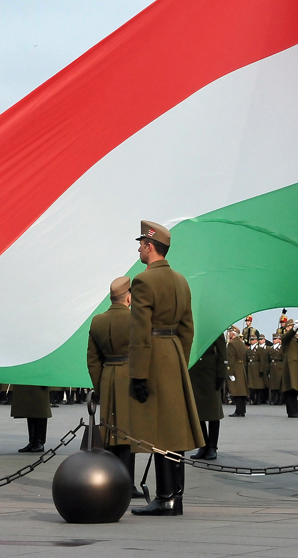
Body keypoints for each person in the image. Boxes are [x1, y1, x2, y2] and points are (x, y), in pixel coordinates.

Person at [127, 220, 203, 517]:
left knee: (159, 429)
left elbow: (139, 332)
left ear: (150, 246)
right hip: (173, 355)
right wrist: (179, 363)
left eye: (141, 245)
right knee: (174, 428)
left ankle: (164, 496)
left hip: (154, 356)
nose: (138, 249)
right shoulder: (181, 281)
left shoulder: (143, 281)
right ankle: (176, 496)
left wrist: (138, 374)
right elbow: (187, 329)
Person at [86, 276, 143, 495]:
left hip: (108, 377)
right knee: (128, 434)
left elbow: (92, 360)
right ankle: (127, 483)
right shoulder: (136, 320)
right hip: (130, 377)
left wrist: (100, 387)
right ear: (128, 298)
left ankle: (109, 480)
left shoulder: (97, 321)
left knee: (108, 431)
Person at [188, 329, 228, 460]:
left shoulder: (214, 327)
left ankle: (212, 446)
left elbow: (222, 353)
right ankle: (203, 445)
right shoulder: (191, 326)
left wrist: (222, 374)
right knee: (197, 413)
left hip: (210, 374)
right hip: (194, 373)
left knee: (213, 412)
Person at [11, 384, 52, 453]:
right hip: (28, 379)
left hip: (40, 377)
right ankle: (32, 441)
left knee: (41, 408)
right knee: (30, 407)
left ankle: (40, 441)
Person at [280, 319, 298, 418]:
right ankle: (291, 411)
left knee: (294, 390)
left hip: (295, 366)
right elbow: (288, 336)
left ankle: (295, 410)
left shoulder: (294, 338)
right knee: (290, 389)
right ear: (287, 328)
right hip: (289, 367)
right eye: (290, 326)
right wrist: (294, 329)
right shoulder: (286, 337)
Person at [226, 327, 249, 417]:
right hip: (241, 367)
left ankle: (239, 410)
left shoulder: (232, 344)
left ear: (233, 334)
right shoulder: (241, 343)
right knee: (242, 390)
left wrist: (230, 372)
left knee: (237, 391)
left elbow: (231, 360)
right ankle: (242, 410)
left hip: (235, 368)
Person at [246, 336, 266, 405]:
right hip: (250, 367)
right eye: (251, 340)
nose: (251, 341)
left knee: (258, 385)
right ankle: (253, 399)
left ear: (256, 340)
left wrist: (261, 370)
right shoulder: (249, 349)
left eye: (253, 340)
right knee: (251, 385)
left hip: (257, 367)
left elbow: (262, 360)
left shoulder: (259, 349)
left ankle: (258, 399)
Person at [267, 334, 284, 405]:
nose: (274, 340)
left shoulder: (281, 348)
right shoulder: (271, 349)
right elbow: (268, 359)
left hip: (280, 366)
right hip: (272, 366)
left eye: (276, 339)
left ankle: (280, 399)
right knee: (273, 384)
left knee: (279, 384)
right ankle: (274, 399)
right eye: (273, 339)